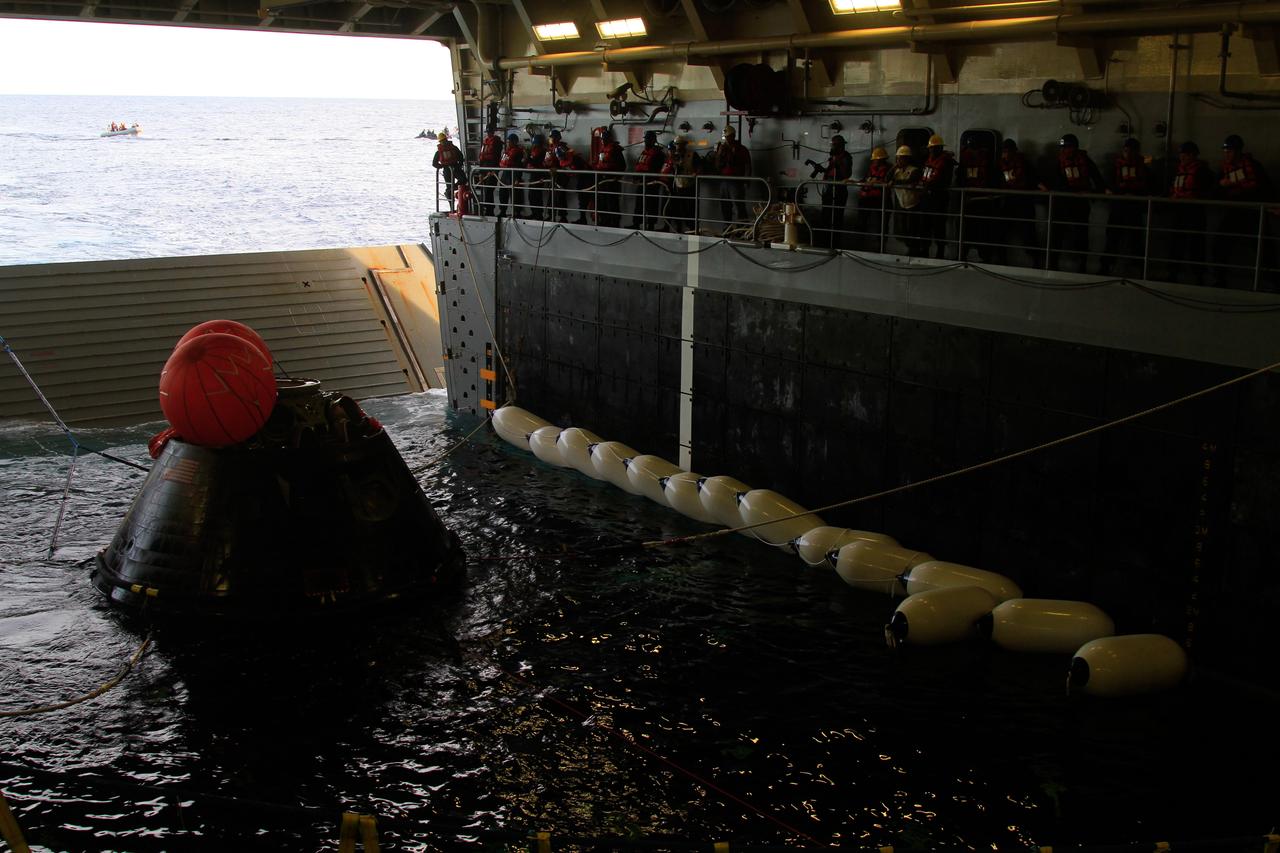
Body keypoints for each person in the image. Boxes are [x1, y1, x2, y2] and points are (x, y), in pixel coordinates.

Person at [1213, 134, 1271, 285]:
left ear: (1239, 151)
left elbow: (1265, 187)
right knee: (1220, 244)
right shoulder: (1224, 170)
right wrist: (1221, 185)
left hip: (1252, 212)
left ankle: (1272, 281)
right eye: (1225, 151)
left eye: (1230, 151)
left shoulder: (1254, 166)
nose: (1226, 154)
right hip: (1234, 212)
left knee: (1264, 247)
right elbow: (1213, 191)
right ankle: (1219, 279)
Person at [1048, 133, 1105, 271]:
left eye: (1066, 147)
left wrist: (1096, 192)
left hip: (1078, 204)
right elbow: (1055, 181)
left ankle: (1082, 264)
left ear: (1074, 147)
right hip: (1062, 203)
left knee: (1081, 234)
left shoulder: (1084, 160)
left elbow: (1096, 177)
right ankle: (1052, 264)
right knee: (1056, 234)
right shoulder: (1059, 161)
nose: (1063, 150)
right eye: (1062, 148)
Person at [1099, 137, 1153, 276]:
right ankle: (1106, 266)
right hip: (1119, 207)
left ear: (1137, 152)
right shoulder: (1115, 167)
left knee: (1135, 239)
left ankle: (1140, 268)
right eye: (1126, 150)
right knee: (1112, 238)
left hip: (1134, 208)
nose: (1128, 153)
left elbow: (1149, 186)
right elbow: (1108, 183)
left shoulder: (1143, 169)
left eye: (1131, 151)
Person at [1165, 140, 1214, 284]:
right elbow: (1171, 188)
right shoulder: (1178, 171)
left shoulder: (1203, 171)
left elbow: (1209, 191)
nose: (1182, 157)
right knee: (1176, 243)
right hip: (1180, 212)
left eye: (1185, 155)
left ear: (1193, 155)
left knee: (1196, 244)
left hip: (1195, 213)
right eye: (1181, 155)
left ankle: (1199, 276)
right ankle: (1173, 273)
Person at [997, 139, 1044, 267]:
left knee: (1028, 234)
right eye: (1004, 152)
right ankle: (1000, 260)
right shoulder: (1001, 165)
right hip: (1009, 202)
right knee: (1000, 232)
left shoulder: (1023, 163)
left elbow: (1034, 178)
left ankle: (1036, 262)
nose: (1005, 154)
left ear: (1014, 151)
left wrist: (1044, 189)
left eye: (1007, 151)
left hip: (1024, 203)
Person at [956, 137, 998, 263]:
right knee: (967, 229)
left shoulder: (985, 162)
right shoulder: (970, 161)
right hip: (971, 200)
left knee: (980, 230)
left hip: (980, 201)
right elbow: (960, 178)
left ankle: (982, 255)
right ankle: (964, 254)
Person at [919, 134, 956, 259]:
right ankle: (924, 250)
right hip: (927, 199)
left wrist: (926, 187)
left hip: (938, 199)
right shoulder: (929, 160)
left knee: (938, 227)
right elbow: (924, 176)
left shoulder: (946, 161)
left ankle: (940, 252)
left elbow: (939, 179)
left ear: (940, 148)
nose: (932, 150)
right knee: (925, 226)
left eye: (934, 148)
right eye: (931, 148)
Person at [711, 126, 752, 231]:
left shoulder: (741, 149)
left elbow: (747, 165)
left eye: (728, 137)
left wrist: (746, 180)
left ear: (733, 136)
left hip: (736, 181)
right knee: (725, 205)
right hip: (724, 180)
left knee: (738, 205)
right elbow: (717, 166)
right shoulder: (722, 149)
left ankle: (742, 227)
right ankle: (727, 226)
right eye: (725, 137)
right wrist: (719, 154)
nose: (726, 139)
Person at [815, 135, 853, 249]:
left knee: (836, 217)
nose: (833, 147)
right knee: (826, 215)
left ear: (842, 145)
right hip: (828, 190)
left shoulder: (846, 158)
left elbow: (847, 174)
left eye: (835, 144)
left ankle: (835, 243)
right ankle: (825, 242)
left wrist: (839, 163)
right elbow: (830, 171)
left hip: (839, 190)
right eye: (833, 144)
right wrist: (823, 170)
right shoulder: (833, 158)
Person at [660, 136, 701, 233]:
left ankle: (692, 229)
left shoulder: (692, 155)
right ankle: (680, 229)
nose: (678, 147)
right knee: (679, 210)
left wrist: (696, 173)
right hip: (678, 186)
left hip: (689, 186)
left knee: (690, 209)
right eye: (677, 144)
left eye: (680, 144)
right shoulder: (674, 156)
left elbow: (699, 167)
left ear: (684, 145)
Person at [853, 147, 892, 251]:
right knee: (862, 222)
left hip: (881, 199)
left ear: (881, 159)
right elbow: (864, 180)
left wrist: (876, 183)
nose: (874, 161)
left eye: (876, 159)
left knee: (882, 224)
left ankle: (881, 246)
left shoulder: (889, 169)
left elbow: (888, 182)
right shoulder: (871, 169)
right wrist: (853, 181)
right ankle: (860, 244)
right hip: (867, 199)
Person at [891, 144, 925, 257]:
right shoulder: (896, 171)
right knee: (904, 228)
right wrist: (894, 167)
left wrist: (895, 182)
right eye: (898, 158)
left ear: (907, 159)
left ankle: (914, 250)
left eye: (901, 158)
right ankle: (910, 247)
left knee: (913, 229)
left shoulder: (914, 170)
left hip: (913, 203)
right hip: (903, 204)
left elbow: (910, 181)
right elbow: (887, 178)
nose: (899, 160)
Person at [629, 130, 666, 230]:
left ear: (653, 140)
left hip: (651, 184)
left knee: (652, 205)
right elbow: (639, 165)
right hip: (642, 183)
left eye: (648, 139)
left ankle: (651, 225)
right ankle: (636, 223)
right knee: (639, 204)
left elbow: (656, 169)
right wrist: (636, 177)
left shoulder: (659, 154)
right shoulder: (644, 153)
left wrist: (644, 178)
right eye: (646, 139)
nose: (646, 142)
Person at [591, 127, 626, 228]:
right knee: (602, 201)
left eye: (604, 139)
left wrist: (616, 176)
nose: (602, 141)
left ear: (609, 139)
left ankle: (614, 222)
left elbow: (622, 165)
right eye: (602, 139)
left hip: (611, 180)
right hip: (603, 180)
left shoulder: (615, 150)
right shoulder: (603, 150)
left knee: (612, 201)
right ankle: (604, 220)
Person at [551, 143, 589, 225]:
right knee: (560, 192)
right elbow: (564, 171)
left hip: (587, 177)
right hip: (577, 177)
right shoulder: (562, 160)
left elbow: (582, 169)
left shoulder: (576, 159)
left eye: (561, 156)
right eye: (559, 157)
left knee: (585, 198)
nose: (560, 158)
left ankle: (587, 219)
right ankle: (577, 218)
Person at [432, 132, 465, 212]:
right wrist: (459, 165)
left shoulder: (439, 151)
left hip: (448, 170)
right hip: (454, 168)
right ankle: (450, 194)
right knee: (463, 180)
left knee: (457, 184)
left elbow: (434, 163)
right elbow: (461, 157)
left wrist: (441, 166)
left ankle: (450, 192)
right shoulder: (453, 148)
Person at [475, 124, 502, 216]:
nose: (489, 134)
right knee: (486, 190)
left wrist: (493, 169)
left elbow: (496, 157)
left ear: (493, 132)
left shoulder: (497, 142)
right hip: (485, 169)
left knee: (489, 190)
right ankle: (488, 209)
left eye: (490, 132)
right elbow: (482, 158)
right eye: (488, 132)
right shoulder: (485, 142)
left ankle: (490, 210)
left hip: (492, 169)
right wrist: (481, 172)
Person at [497, 132, 526, 218]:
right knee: (503, 193)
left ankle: (517, 212)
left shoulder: (518, 152)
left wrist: (517, 177)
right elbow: (502, 162)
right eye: (508, 141)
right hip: (505, 174)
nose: (508, 143)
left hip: (513, 174)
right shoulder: (507, 152)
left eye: (510, 141)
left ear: (514, 142)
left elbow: (519, 165)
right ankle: (503, 211)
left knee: (515, 195)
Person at [525, 133, 549, 220]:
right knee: (531, 195)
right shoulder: (534, 151)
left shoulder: (543, 152)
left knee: (536, 195)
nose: (535, 145)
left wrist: (527, 157)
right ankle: (534, 212)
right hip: (533, 175)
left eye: (536, 143)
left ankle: (539, 214)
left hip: (539, 176)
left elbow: (535, 162)